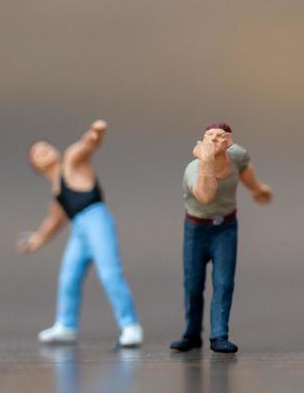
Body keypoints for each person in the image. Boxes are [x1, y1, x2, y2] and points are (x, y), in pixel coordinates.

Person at [18, 119, 143, 347]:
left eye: (45, 146)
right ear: (35, 166)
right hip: (79, 230)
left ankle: (130, 325)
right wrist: (34, 241)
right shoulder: (57, 193)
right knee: (69, 277)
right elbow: (53, 222)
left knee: (109, 273)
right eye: (36, 152)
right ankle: (65, 326)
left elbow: (86, 146)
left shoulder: (72, 161)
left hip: (97, 220)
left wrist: (96, 133)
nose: (43, 150)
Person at [170, 123, 273, 355]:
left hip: (225, 228)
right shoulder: (194, 170)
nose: (215, 141)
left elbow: (244, 169)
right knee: (193, 284)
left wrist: (257, 189)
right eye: (209, 137)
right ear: (201, 141)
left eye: (220, 137)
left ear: (229, 141)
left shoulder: (236, 155)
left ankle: (219, 335)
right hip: (196, 229)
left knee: (224, 282)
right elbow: (205, 196)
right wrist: (206, 161)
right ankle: (192, 332)